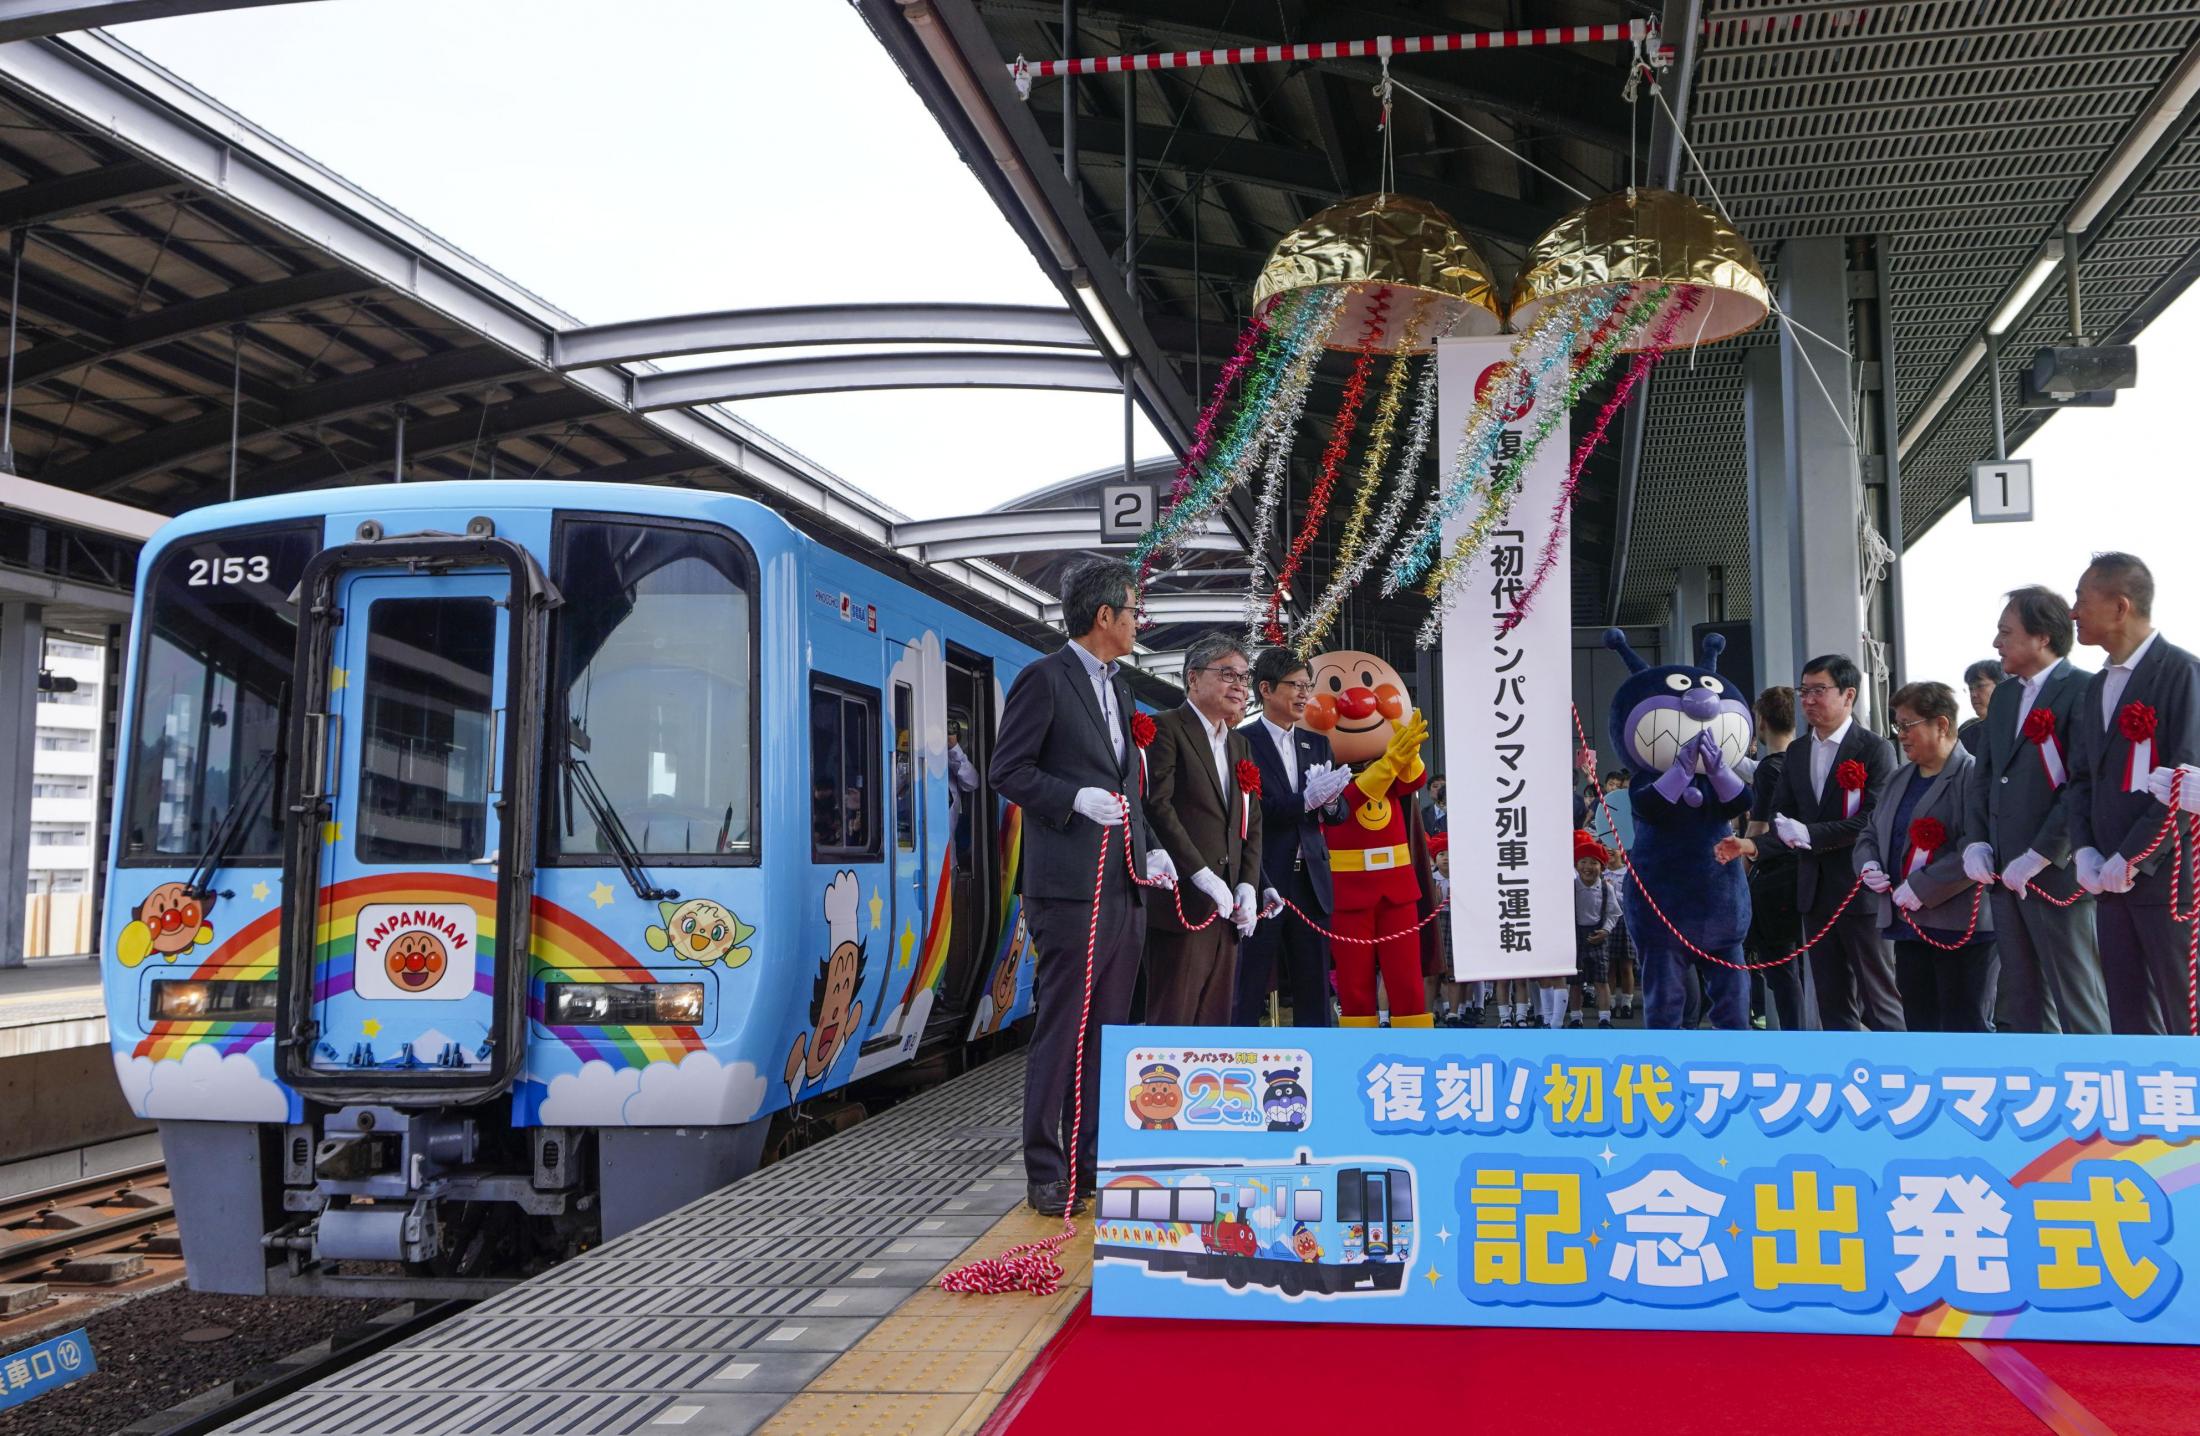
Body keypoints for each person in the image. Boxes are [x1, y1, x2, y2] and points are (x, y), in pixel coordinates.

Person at [991, 558, 1177, 1218]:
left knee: (1107, 1031)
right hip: (1068, 891)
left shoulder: (1121, 692)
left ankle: (1091, 1160)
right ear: (1105, 618)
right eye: (1134, 613)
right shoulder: (1043, 681)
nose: (1138, 624)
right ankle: (1046, 1168)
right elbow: (1006, 771)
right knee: (1062, 1029)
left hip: (1123, 885)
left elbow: (1129, 788)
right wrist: (1073, 798)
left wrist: (1150, 850)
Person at [1721, 654, 1902, 1031]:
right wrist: (1753, 847)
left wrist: (1812, 835)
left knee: (1879, 998)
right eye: (1804, 691)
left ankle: (1897, 1079)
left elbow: (1874, 820)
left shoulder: (1874, 749)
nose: (1808, 700)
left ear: (1848, 695)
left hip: (1860, 890)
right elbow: (1784, 819)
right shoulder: (1799, 752)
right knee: (1831, 999)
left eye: (1819, 691)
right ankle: (1843, 1078)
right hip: (1814, 893)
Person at [1960, 585, 2108, 1034]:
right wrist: (1977, 841)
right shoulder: (2005, 697)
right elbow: (1984, 777)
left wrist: (2042, 852)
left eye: (2006, 631)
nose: (1996, 643)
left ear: (2042, 636)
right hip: (2004, 873)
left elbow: (2082, 785)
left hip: (2056, 874)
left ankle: (2095, 1086)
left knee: (2075, 995)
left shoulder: (2084, 690)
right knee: (2021, 998)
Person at [2066, 552, 2200, 1035]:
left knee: (2184, 1012)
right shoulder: (2096, 685)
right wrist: (2084, 849)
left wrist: (2135, 855)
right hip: (2107, 880)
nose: (2073, 612)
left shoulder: (2181, 672)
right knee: (2126, 1014)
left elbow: (2184, 783)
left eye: (2081, 599)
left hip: (2168, 878)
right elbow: (2081, 778)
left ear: (2120, 606)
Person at [1856, 682, 1997, 1031]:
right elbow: (1870, 832)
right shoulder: (1899, 778)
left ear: (1942, 724)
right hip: (1907, 925)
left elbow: (1978, 844)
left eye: (1908, 725)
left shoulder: (1974, 775)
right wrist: (1868, 864)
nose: (1900, 735)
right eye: (1897, 726)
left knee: (1963, 1024)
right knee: (1919, 1024)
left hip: (1960, 925)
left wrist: (1923, 886)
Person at [1143, 632, 1268, 1027]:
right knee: (1174, 1016)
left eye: (1244, 678)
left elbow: (1252, 820)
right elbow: (1157, 807)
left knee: (1215, 1021)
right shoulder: (1165, 729)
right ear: (1193, 679)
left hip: (1228, 907)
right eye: (1228, 674)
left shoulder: (1239, 745)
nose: (1239, 686)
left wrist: (1248, 883)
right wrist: (1200, 874)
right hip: (1182, 903)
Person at [1235, 646, 1353, 1027]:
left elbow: (1338, 815)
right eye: (1295, 685)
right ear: (1266, 689)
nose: (1305, 694)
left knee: (1314, 984)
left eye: (1308, 685)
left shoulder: (1317, 743)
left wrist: (1332, 803)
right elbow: (1251, 811)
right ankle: (1239, 1061)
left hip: (1311, 880)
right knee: (1248, 980)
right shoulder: (1242, 742)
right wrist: (1304, 800)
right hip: (1264, 877)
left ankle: (1317, 1063)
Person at [1744, 686, 1810, 1031]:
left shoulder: (1770, 769)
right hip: (1808, 876)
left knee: (1781, 971)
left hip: (1775, 879)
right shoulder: (1805, 762)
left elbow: (1758, 828)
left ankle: (1793, 1038)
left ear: (1762, 722)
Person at [1572, 833, 1617, 1028]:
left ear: (1602, 867)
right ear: (1576, 865)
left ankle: (1605, 1017)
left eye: (1593, 863)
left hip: (1599, 935)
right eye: (1583, 862)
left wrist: (1606, 931)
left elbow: (1613, 913)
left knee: (1601, 979)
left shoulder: (1607, 889)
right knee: (1575, 981)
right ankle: (1575, 1017)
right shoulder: (1571, 887)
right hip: (1576, 936)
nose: (1587, 867)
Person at [1958, 659, 2004, 759]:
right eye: (1970, 688)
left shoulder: (2020, 729)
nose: (1973, 694)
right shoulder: (1967, 735)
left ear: (2002, 686)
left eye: (1980, 686)